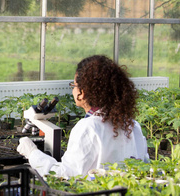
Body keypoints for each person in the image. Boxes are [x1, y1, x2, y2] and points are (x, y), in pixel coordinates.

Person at [17, 55, 149, 178]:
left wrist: (32, 154)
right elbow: (143, 165)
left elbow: (66, 175)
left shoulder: (88, 127)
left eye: (74, 85)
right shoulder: (132, 125)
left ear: (82, 93)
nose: (72, 89)